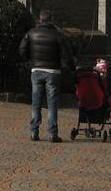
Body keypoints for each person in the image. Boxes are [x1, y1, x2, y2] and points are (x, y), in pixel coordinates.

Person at [19, 10, 75, 142]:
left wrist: (30, 61)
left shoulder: (31, 33)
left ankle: (34, 132)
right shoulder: (58, 35)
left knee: (36, 102)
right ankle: (52, 133)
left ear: (40, 19)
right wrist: (71, 68)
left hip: (36, 70)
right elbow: (67, 54)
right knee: (52, 103)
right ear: (51, 20)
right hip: (53, 71)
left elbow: (21, 50)